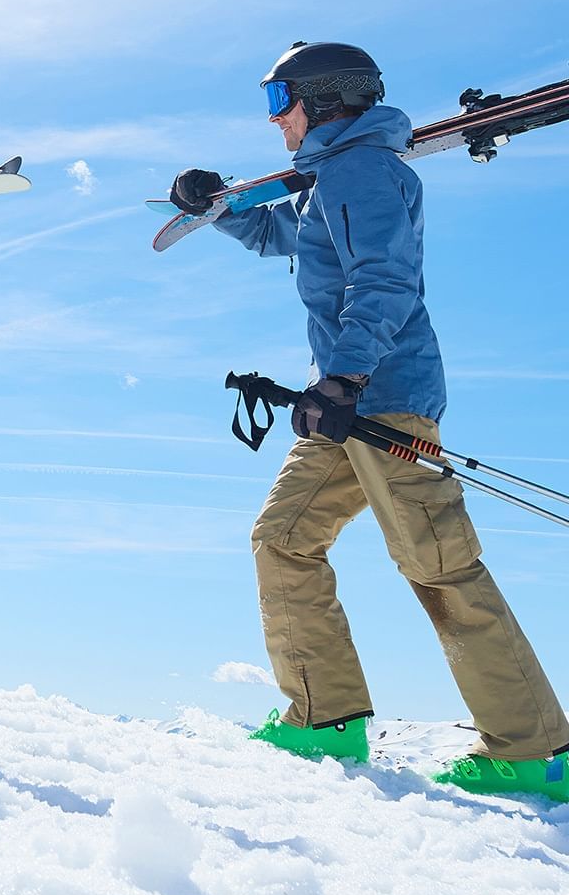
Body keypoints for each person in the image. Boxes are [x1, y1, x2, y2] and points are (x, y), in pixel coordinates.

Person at [173, 42, 569, 799]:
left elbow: (384, 278)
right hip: (344, 405)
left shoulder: (360, 173)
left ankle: (535, 751)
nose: (274, 120)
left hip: (380, 400)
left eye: (279, 101)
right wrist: (214, 205)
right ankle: (324, 718)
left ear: (323, 102)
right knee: (283, 540)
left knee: (437, 563)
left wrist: (347, 375)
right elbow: (275, 237)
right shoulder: (327, 181)